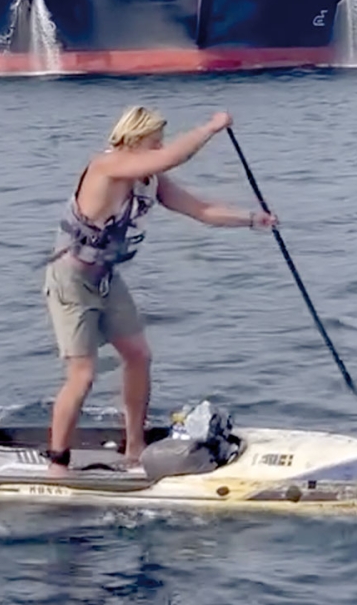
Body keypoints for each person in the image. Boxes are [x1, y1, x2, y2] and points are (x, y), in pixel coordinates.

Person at [43, 106, 276, 471]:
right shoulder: (107, 166)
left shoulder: (149, 179)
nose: (160, 150)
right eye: (155, 143)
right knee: (83, 375)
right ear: (133, 142)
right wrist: (212, 127)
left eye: (161, 143)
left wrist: (252, 219)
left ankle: (134, 446)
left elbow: (201, 210)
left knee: (139, 355)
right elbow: (173, 157)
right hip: (71, 281)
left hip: (107, 278)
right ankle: (57, 461)